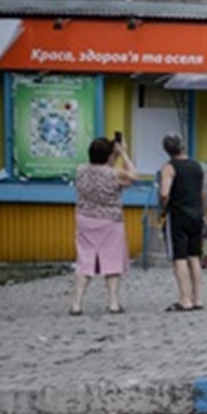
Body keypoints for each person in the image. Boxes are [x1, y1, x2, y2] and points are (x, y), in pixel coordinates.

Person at [70, 135, 137, 315]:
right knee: (111, 260)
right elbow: (133, 176)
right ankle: (113, 303)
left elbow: (102, 170)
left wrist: (112, 156)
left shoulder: (80, 170)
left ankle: (77, 303)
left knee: (85, 260)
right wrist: (123, 153)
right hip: (110, 220)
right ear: (108, 155)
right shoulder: (114, 173)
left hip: (85, 218)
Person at [159, 133, 207, 312]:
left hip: (178, 215)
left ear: (166, 150)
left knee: (179, 257)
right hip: (196, 214)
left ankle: (184, 299)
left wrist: (163, 208)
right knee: (194, 256)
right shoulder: (197, 166)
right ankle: (198, 298)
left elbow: (164, 193)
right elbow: (203, 192)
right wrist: (203, 213)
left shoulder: (169, 168)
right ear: (183, 146)